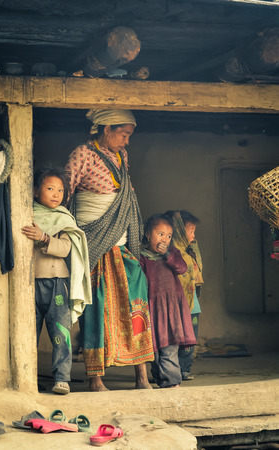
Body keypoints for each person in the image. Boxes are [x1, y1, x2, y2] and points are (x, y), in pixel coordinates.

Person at [65, 109, 154, 392]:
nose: (126, 142)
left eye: (129, 135)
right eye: (123, 134)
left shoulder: (121, 157)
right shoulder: (82, 154)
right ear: (106, 128)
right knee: (97, 307)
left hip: (122, 243)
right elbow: (65, 195)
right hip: (94, 242)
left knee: (136, 305)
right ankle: (95, 378)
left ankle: (142, 376)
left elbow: (125, 197)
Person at [22, 168, 91, 394]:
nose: (56, 194)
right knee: (27, 332)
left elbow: (64, 248)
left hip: (57, 283)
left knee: (60, 332)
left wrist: (43, 237)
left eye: (60, 190)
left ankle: (62, 378)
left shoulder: (63, 219)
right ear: (35, 191)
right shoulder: (25, 214)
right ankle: (26, 379)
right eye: (50, 188)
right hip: (29, 283)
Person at [140, 214, 196, 388]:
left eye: (169, 236)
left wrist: (168, 255)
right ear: (148, 234)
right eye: (160, 234)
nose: (165, 239)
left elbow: (182, 267)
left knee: (170, 345)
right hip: (152, 308)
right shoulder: (141, 257)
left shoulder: (172, 254)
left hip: (171, 308)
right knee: (154, 349)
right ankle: (160, 378)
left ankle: (172, 382)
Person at [165, 209, 204, 381]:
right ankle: (168, 370)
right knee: (172, 338)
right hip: (174, 304)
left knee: (190, 337)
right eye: (190, 231)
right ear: (179, 230)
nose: (193, 235)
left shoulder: (190, 250)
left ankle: (184, 369)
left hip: (192, 304)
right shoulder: (170, 253)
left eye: (194, 231)